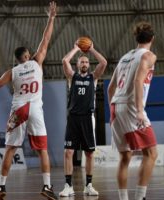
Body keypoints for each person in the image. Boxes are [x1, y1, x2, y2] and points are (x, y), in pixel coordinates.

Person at [0, 2, 58, 200]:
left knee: (10, 149)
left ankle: (1, 187)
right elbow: (46, 38)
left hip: (19, 109)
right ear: (27, 55)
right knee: (42, 150)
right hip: (35, 108)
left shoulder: (12, 72)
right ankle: (47, 186)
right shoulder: (36, 62)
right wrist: (51, 18)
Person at [107, 21, 158, 200]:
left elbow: (110, 88)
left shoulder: (124, 57)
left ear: (136, 38)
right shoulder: (149, 56)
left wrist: (112, 113)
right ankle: (140, 197)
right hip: (130, 107)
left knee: (125, 157)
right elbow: (138, 81)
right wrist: (139, 110)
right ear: (152, 38)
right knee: (151, 153)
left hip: (115, 107)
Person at [59, 41, 107, 197]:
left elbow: (104, 62)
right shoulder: (71, 76)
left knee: (89, 154)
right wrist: (75, 49)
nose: (85, 63)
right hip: (73, 118)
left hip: (87, 118)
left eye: (86, 62)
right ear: (78, 64)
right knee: (68, 152)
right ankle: (68, 186)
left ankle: (89, 185)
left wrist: (91, 49)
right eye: (82, 61)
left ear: (89, 64)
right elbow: (65, 61)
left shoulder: (93, 78)